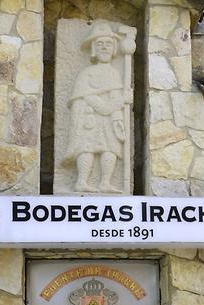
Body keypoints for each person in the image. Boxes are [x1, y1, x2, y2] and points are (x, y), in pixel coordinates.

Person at [64, 21, 131, 193]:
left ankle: (105, 182)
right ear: (94, 48)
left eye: (108, 44)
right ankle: (81, 182)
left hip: (109, 122)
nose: (104, 47)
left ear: (114, 47)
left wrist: (118, 118)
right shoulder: (87, 73)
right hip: (89, 119)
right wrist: (116, 103)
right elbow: (84, 96)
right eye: (100, 44)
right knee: (87, 148)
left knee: (111, 149)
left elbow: (115, 100)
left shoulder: (115, 74)